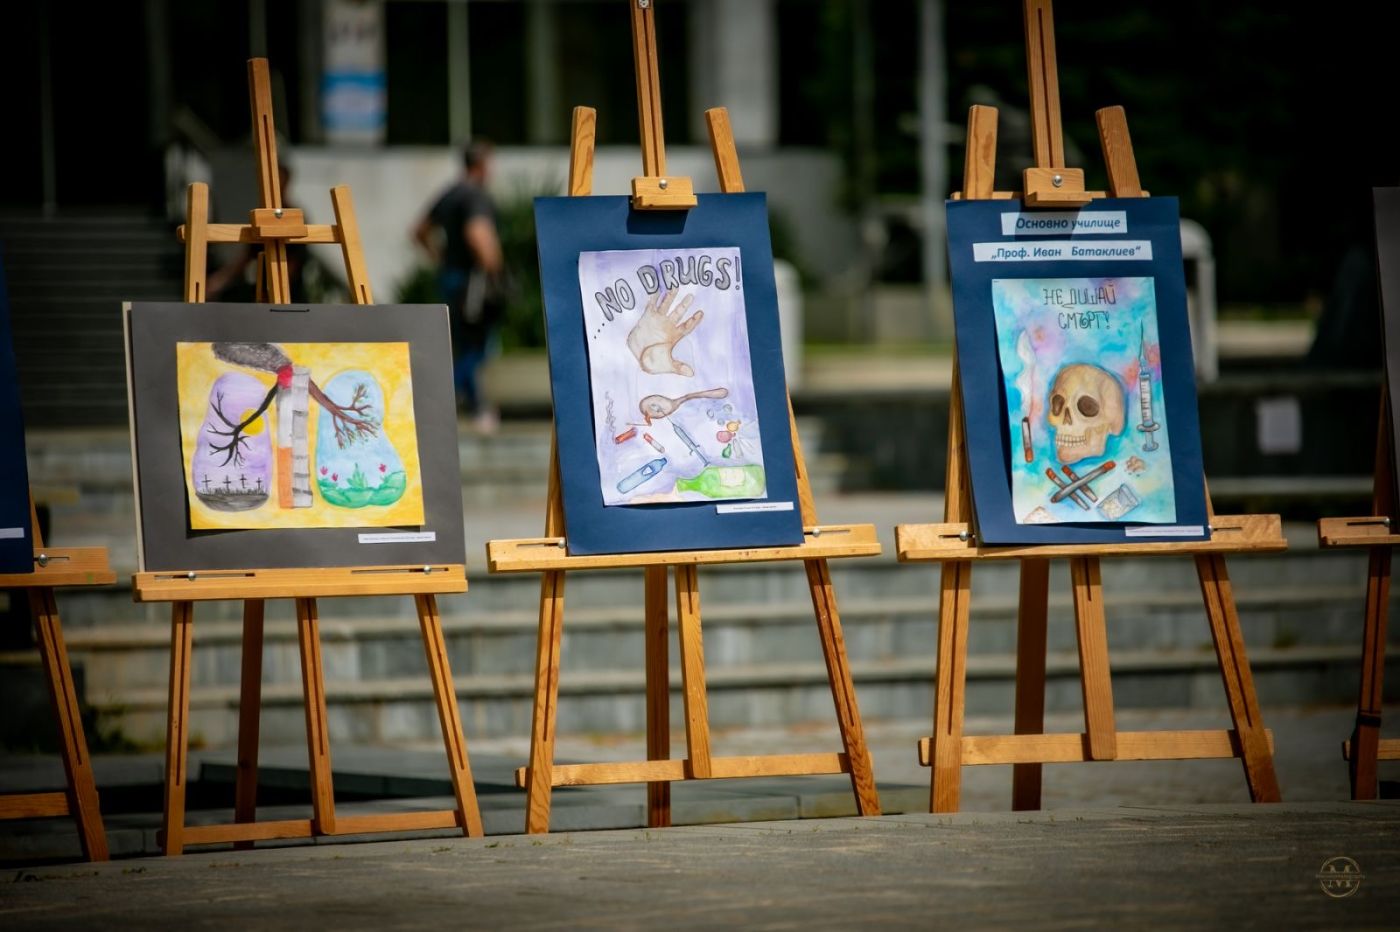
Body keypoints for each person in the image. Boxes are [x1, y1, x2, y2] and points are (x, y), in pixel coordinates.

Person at [413, 141, 506, 433]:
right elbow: (477, 233)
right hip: (472, 282)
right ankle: (440, 400)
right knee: (479, 348)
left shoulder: (450, 194)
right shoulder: (475, 195)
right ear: (482, 165)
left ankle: (476, 406)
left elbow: (419, 230)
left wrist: (439, 256)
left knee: (464, 344)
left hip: (450, 277)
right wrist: (495, 270)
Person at [207, 164, 311, 302]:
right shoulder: (261, 217)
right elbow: (246, 257)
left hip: (290, 295)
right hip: (264, 292)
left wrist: (276, 289)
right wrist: (219, 281)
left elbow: (295, 260)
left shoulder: (295, 217)